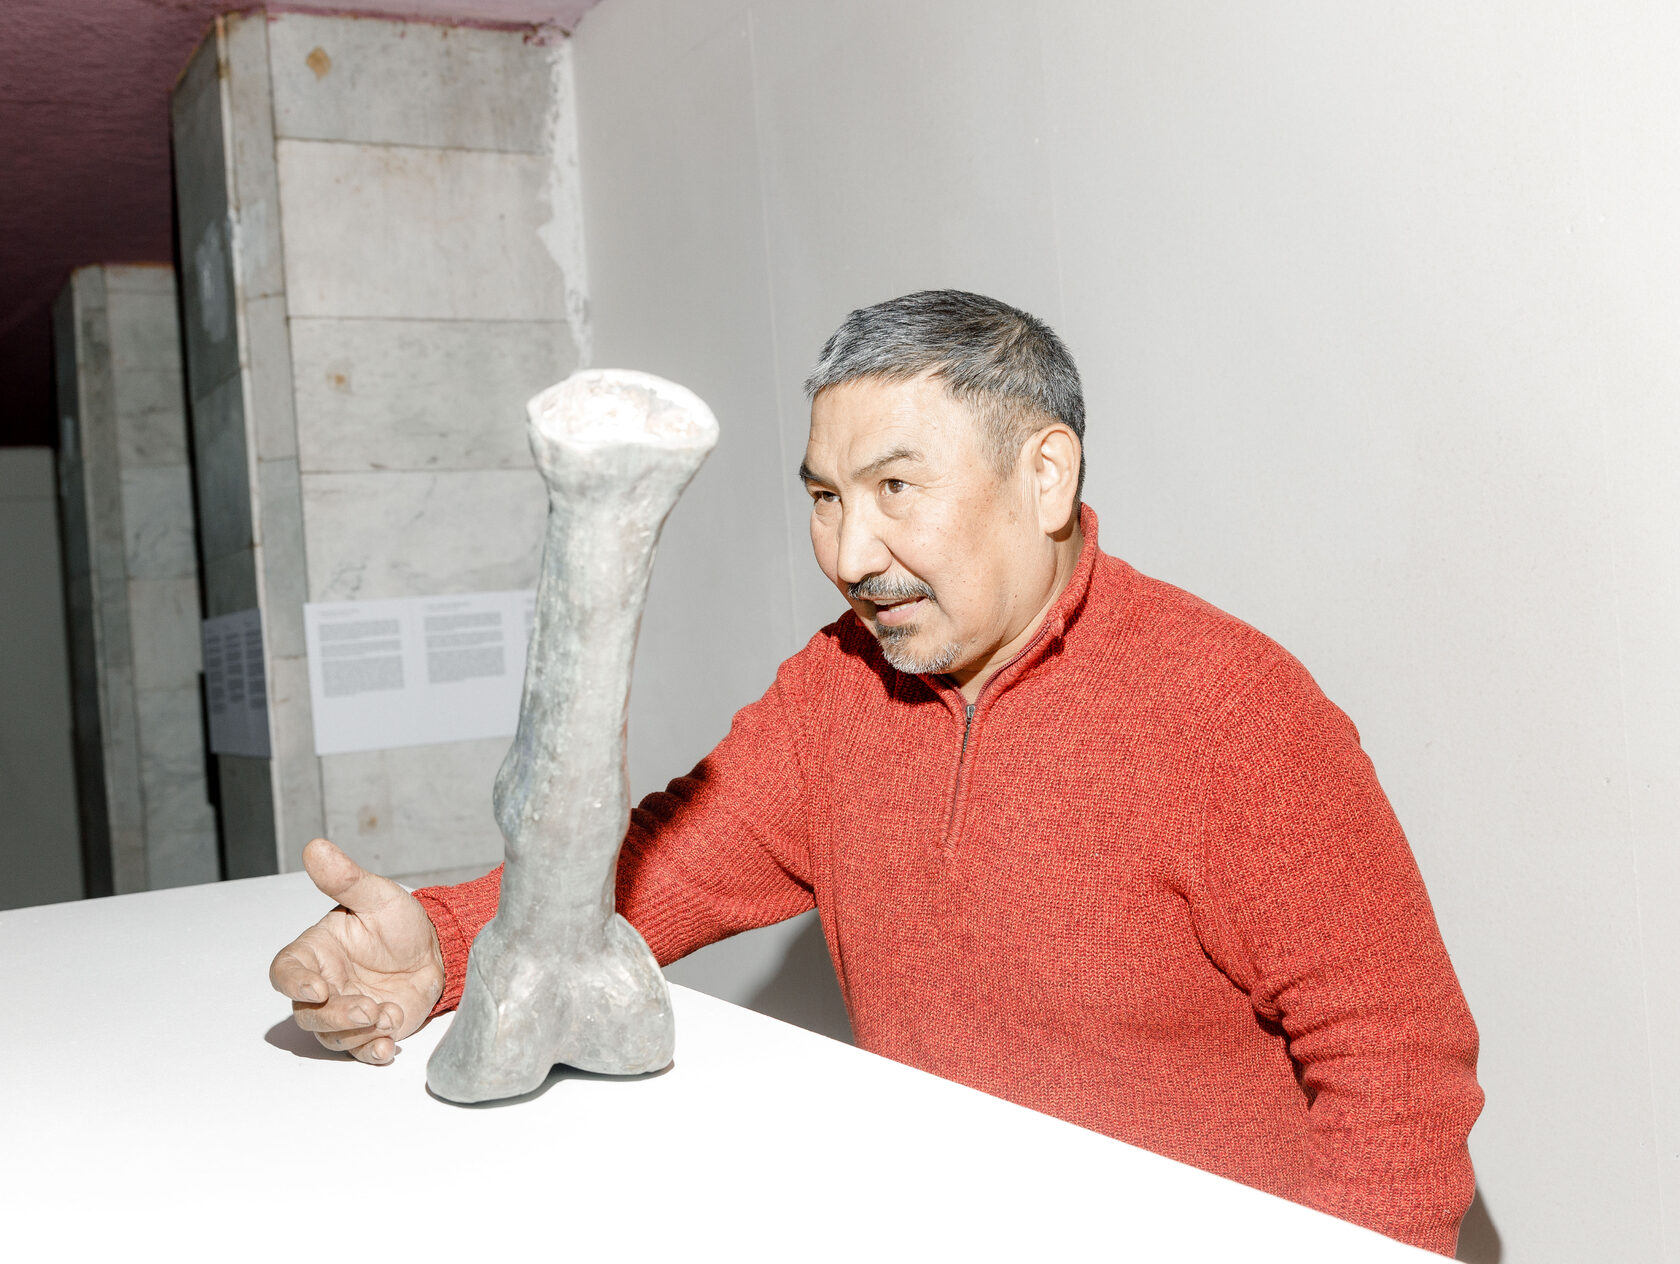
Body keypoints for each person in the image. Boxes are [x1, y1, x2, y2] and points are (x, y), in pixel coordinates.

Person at [270, 290, 1483, 1255]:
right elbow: (656, 869)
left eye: (897, 488)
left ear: (1047, 476)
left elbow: (1400, 1075)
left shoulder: (1234, 708)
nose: (852, 552)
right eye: (825, 498)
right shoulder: (835, 689)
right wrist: (441, 946)